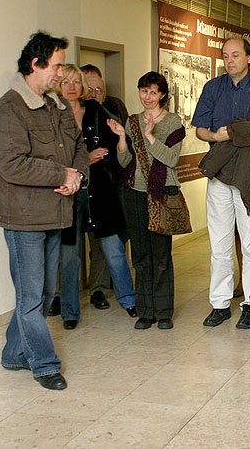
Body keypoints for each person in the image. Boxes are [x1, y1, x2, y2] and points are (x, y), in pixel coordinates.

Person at [0, 31, 88, 391]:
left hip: (54, 213)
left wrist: (76, 175)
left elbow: (77, 145)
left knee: (43, 295)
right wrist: (58, 174)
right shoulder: (9, 108)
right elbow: (10, 164)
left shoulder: (55, 106)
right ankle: (44, 364)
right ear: (36, 64)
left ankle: (13, 353)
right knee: (32, 297)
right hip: (23, 219)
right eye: (58, 66)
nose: (61, 74)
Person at [192, 37, 250, 330]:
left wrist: (245, 134)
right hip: (219, 172)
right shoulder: (212, 88)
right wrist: (216, 137)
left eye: (236, 55)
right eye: (226, 56)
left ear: (249, 59)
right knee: (219, 243)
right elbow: (200, 130)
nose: (230, 61)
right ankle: (219, 303)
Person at [56, 64, 136, 330]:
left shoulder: (95, 110)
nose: (71, 87)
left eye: (75, 82)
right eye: (65, 82)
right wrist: (84, 161)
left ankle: (128, 299)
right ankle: (69, 311)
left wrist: (121, 138)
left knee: (113, 249)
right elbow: (50, 158)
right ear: (59, 86)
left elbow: (114, 149)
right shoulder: (52, 115)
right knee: (69, 256)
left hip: (100, 192)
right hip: (68, 194)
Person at [109, 71, 184, 330]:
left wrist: (151, 135)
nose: (147, 97)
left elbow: (171, 160)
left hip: (162, 193)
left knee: (161, 255)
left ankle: (163, 312)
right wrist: (121, 138)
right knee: (140, 254)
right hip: (135, 193)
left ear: (162, 95)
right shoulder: (132, 122)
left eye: (153, 92)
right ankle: (145, 311)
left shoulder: (173, 122)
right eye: (143, 91)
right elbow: (125, 162)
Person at [78, 64, 130, 310]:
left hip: (113, 182)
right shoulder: (72, 114)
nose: (95, 94)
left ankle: (104, 288)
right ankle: (68, 295)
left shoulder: (114, 107)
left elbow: (126, 139)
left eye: (99, 89)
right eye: (90, 89)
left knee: (111, 239)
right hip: (81, 184)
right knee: (75, 242)